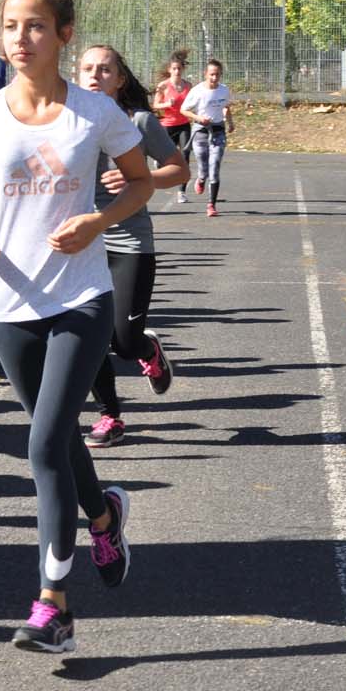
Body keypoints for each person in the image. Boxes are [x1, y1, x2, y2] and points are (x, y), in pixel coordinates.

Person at [0, 0, 153, 653]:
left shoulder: (95, 112)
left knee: (43, 444)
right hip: (9, 304)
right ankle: (103, 517)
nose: (20, 38)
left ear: (63, 34)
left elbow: (143, 182)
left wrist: (98, 221)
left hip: (80, 300)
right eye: (10, 26)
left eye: (35, 26)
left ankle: (53, 608)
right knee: (61, 441)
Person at [75, 46, 188, 448]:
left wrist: (140, 180)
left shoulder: (139, 121)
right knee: (87, 338)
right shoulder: (67, 123)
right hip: (82, 243)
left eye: (105, 70)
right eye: (87, 69)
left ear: (120, 79)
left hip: (129, 241)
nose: (95, 76)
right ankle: (110, 416)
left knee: (123, 340)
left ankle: (147, 349)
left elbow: (179, 169)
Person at [182, 58, 235, 217]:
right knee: (203, 168)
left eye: (217, 75)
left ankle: (211, 205)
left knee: (215, 166)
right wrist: (199, 118)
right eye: (212, 74)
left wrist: (230, 122)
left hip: (218, 130)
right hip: (201, 132)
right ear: (205, 74)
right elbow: (184, 110)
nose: (214, 78)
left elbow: (226, 107)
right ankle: (201, 178)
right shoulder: (197, 91)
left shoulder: (224, 90)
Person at [153, 50, 193, 204]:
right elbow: (155, 105)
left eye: (179, 69)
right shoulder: (163, 86)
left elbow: (193, 102)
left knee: (185, 156)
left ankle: (181, 192)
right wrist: (167, 104)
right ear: (169, 69)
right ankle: (159, 162)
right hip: (167, 125)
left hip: (183, 124)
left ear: (182, 69)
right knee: (166, 158)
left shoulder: (188, 85)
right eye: (174, 69)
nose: (177, 71)